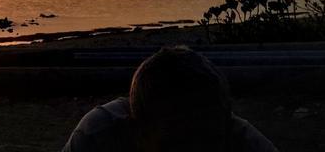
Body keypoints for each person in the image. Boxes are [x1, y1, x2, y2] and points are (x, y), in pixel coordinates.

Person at [62, 46, 277, 152]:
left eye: (206, 141)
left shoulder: (246, 143)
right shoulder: (97, 137)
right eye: (177, 144)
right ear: (139, 130)